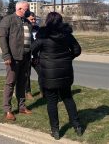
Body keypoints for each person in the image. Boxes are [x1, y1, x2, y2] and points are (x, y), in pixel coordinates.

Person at [31, 12, 83, 140]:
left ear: (48, 21)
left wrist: (37, 58)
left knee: (52, 102)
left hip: (49, 74)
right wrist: (67, 58)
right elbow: (77, 50)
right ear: (60, 21)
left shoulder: (43, 36)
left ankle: (55, 130)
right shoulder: (67, 35)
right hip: (65, 72)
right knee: (68, 98)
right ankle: (77, 126)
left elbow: (32, 49)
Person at [0, 1, 33, 121]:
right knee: (10, 83)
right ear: (19, 8)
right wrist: (6, 56)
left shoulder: (27, 22)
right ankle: (7, 110)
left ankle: (22, 107)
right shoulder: (8, 20)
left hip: (26, 58)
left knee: (22, 83)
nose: (28, 11)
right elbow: (2, 38)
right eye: (26, 8)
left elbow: (30, 40)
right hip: (13, 58)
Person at [25, 12, 41, 99]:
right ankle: (28, 92)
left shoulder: (38, 28)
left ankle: (43, 90)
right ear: (27, 19)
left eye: (35, 19)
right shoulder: (24, 28)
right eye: (32, 19)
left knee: (42, 73)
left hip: (36, 57)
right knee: (27, 75)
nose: (34, 21)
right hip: (26, 56)